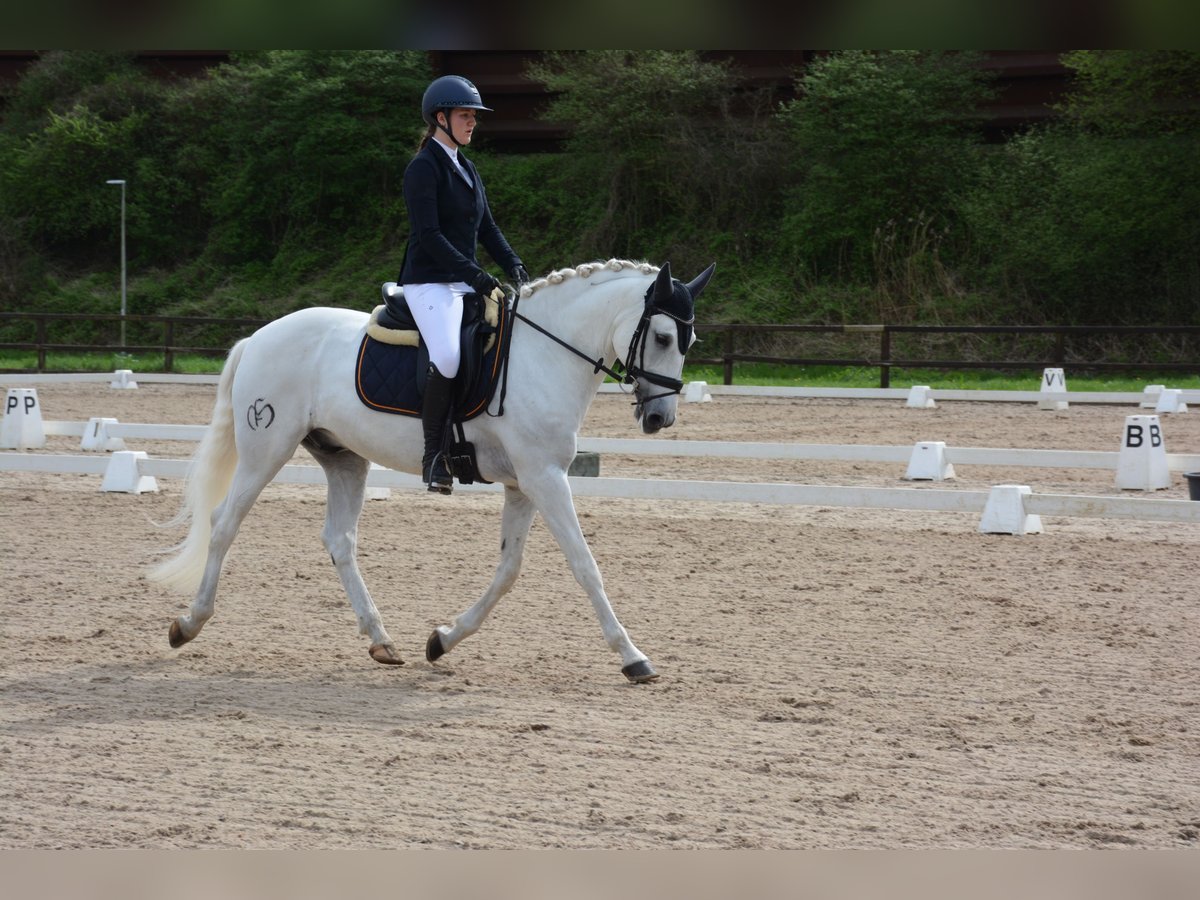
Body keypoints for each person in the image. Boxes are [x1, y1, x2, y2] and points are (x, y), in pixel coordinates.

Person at [399, 74, 529, 494]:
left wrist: (513, 263)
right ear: (440, 118)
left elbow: (487, 227)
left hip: (464, 281)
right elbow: (429, 236)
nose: (472, 122)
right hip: (430, 283)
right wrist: (476, 274)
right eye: (464, 115)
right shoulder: (423, 168)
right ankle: (433, 455)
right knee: (450, 357)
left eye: (474, 116)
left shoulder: (467, 167)